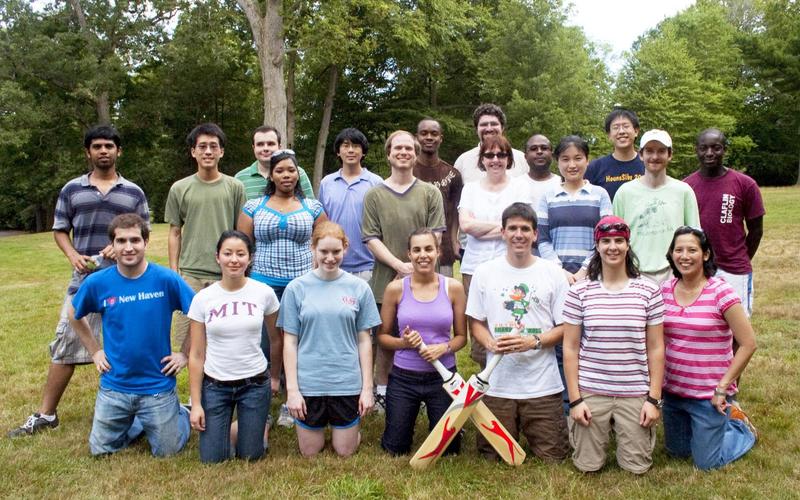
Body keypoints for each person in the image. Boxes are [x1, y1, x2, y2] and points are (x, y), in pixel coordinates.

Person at [8, 125, 150, 438]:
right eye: (97, 146)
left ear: (118, 151)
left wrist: (120, 246)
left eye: (109, 146)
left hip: (123, 281)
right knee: (65, 346)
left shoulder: (133, 192)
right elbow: (60, 229)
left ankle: (132, 411)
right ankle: (46, 414)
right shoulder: (73, 189)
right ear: (88, 152)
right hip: (83, 280)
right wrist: (72, 254)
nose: (103, 151)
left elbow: (145, 230)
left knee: (126, 347)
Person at [69, 214, 195, 456]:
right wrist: (95, 351)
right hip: (115, 387)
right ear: (112, 246)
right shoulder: (98, 282)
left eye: (135, 240)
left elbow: (200, 314)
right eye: (121, 241)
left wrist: (185, 354)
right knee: (101, 451)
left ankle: (181, 412)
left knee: (167, 451)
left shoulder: (165, 279)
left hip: (157, 386)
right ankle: (139, 420)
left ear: (146, 242)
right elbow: (73, 313)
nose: (128, 247)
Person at [467, 202, 570, 462]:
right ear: (502, 232)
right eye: (512, 228)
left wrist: (533, 342)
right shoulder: (484, 272)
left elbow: (566, 327)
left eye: (525, 228)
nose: (519, 234)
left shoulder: (553, 274)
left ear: (535, 234)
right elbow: (476, 323)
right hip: (498, 384)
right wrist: (489, 343)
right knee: (492, 457)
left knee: (553, 457)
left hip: (542, 385)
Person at [563, 216, 665, 474]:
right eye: (606, 241)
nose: (613, 247)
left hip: (634, 389)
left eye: (619, 241)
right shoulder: (580, 292)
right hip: (592, 388)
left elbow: (656, 348)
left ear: (628, 245)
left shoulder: (649, 291)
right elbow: (571, 348)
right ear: (596, 246)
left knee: (636, 467)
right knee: (588, 466)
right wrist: (575, 401)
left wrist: (653, 400)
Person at [238, 149, 327, 426]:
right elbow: (243, 246)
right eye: (280, 171)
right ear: (272, 175)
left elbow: (323, 242)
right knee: (263, 343)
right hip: (263, 284)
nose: (286, 175)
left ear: (298, 174)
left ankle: (293, 400)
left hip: (301, 285)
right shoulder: (254, 206)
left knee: (299, 342)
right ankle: (261, 399)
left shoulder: (312, 207)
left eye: (291, 170)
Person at [279, 222, 381, 457]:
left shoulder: (359, 288)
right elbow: (289, 342)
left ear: (345, 248)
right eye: (324, 251)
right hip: (310, 381)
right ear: (312, 248)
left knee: (344, 451)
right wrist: (293, 391)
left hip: (345, 380)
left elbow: (365, 340)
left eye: (336, 251)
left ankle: (347, 430)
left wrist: (367, 389)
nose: (330, 258)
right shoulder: (296, 289)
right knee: (310, 452)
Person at [661, 226, 758, 470]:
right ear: (671, 254)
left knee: (706, 463)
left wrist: (723, 387)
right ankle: (709, 431)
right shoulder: (664, 290)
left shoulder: (721, 291)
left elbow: (748, 343)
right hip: (674, 394)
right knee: (678, 454)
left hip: (709, 396)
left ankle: (740, 427)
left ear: (705, 254)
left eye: (692, 250)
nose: (684, 256)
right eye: (678, 250)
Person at [362, 130, 446, 411]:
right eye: (397, 148)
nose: (403, 152)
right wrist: (399, 266)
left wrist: (419, 266)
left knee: (423, 333)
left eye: (409, 148)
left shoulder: (429, 193)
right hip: (386, 278)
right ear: (388, 154)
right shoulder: (374, 195)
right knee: (386, 337)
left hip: (425, 278)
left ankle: (426, 389)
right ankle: (383, 390)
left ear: (415, 153)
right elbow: (371, 237)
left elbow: (436, 235)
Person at [187, 231, 280, 463]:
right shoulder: (203, 298)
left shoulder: (264, 293)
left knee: (251, 456)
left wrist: (275, 378)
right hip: (216, 385)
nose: (234, 260)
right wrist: (196, 404)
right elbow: (197, 355)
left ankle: (258, 425)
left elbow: (276, 339)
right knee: (214, 459)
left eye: (241, 254)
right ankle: (234, 427)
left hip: (255, 384)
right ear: (217, 257)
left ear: (250, 258)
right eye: (227, 253)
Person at [377, 228, 467, 455]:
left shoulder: (453, 288)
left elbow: (462, 338)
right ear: (409, 254)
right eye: (416, 250)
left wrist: (444, 347)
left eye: (428, 249)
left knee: (449, 451)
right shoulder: (395, 289)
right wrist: (403, 344)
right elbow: (382, 337)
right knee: (395, 449)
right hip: (404, 377)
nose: (423, 255)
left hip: (443, 377)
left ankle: (450, 422)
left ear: (438, 252)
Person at [165, 123, 246, 353]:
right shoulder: (179, 188)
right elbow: (174, 231)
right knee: (187, 343)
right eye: (202, 146)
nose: (208, 151)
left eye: (213, 146)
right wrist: (174, 270)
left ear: (221, 151)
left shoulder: (235, 187)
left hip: (225, 273)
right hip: (190, 274)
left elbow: (239, 232)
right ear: (193, 151)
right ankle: (196, 390)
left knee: (225, 339)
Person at [459, 134, 528, 367]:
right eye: (489, 155)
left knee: (509, 320)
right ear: (482, 159)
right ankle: (483, 379)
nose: (495, 159)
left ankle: (510, 373)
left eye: (501, 154)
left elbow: (520, 227)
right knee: (479, 323)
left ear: (508, 158)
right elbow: (466, 226)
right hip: (474, 267)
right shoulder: (470, 189)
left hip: (510, 266)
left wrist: (483, 229)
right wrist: (503, 227)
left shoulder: (520, 186)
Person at [685, 128, 765, 316]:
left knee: (737, 328)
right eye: (704, 148)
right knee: (703, 322)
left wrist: (740, 257)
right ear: (696, 149)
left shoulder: (745, 184)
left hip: (734, 269)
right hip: (698, 269)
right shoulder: (686, 187)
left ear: (725, 150)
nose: (710, 153)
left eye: (716, 148)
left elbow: (756, 231)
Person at [613, 129, 700, 285]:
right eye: (649, 151)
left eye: (661, 151)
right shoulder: (624, 192)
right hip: (635, 273)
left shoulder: (683, 191)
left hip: (674, 273)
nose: (654, 157)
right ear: (641, 155)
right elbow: (617, 237)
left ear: (670, 154)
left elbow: (695, 236)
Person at [537, 135, 612, 284]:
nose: (572, 165)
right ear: (557, 162)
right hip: (556, 278)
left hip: (594, 276)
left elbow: (605, 237)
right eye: (565, 159)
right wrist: (560, 271)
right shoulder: (547, 197)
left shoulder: (600, 195)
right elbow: (543, 240)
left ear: (587, 160)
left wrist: (584, 270)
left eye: (578, 158)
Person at [318, 127, 383, 281]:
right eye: (346, 146)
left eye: (356, 146)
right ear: (338, 152)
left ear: (363, 152)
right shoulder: (327, 183)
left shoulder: (376, 182)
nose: (351, 150)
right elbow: (321, 223)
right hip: (333, 262)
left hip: (369, 265)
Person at [414, 118, 463, 277]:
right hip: (413, 249)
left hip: (444, 250)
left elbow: (456, 211)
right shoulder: (408, 171)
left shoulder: (452, 174)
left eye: (434, 134)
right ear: (417, 138)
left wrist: (455, 240)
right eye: (424, 133)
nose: (429, 137)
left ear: (440, 138)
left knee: (443, 297)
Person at [235, 125, 315, 200]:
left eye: (270, 144)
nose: (265, 148)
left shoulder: (298, 173)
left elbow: (311, 207)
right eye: (260, 144)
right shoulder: (240, 178)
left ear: (279, 147)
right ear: (254, 148)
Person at [453, 103, 528, 183]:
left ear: (502, 128)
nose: (489, 128)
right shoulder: (463, 162)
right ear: (476, 129)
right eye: (484, 125)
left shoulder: (521, 160)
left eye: (494, 124)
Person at [586, 108, 644, 201]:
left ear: (636, 131)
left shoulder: (647, 165)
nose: (621, 131)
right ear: (609, 135)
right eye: (616, 127)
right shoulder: (596, 167)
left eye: (626, 126)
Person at [521, 133, 562, 210]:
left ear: (552, 155)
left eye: (544, 148)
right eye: (533, 149)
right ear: (525, 156)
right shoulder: (516, 184)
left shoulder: (562, 183)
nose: (539, 152)